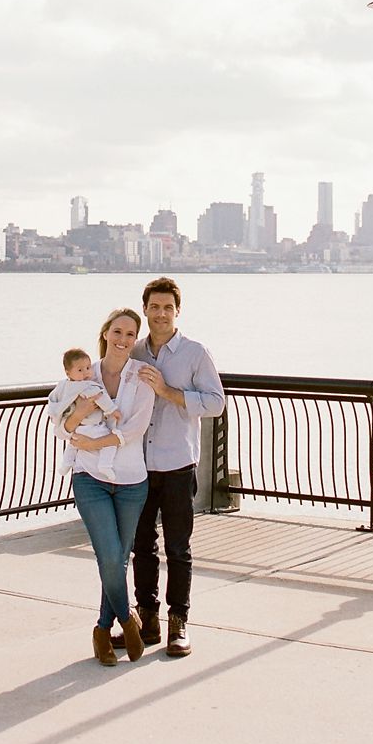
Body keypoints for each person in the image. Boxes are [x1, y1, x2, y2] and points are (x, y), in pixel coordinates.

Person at [54, 308, 156, 666]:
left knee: (116, 560)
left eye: (130, 334)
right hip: (89, 478)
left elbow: (134, 430)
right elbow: (60, 424)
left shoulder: (143, 378)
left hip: (130, 482)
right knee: (108, 556)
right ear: (106, 333)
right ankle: (127, 621)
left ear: (135, 339)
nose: (123, 339)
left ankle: (101, 630)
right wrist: (79, 414)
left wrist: (96, 442)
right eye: (117, 331)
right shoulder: (83, 372)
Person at [130, 276, 224, 658]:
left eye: (168, 307)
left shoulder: (195, 353)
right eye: (155, 307)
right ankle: (147, 620)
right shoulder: (133, 351)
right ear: (145, 310)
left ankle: (178, 623)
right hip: (136, 465)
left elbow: (216, 402)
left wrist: (168, 392)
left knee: (178, 548)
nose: (161, 314)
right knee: (141, 547)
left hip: (178, 463)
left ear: (177, 311)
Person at [47, 347, 120, 481]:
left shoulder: (63, 386)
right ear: (68, 373)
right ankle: (105, 465)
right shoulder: (87, 386)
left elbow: (53, 400)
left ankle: (66, 464)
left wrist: (55, 413)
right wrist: (112, 410)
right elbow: (100, 397)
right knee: (110, 442)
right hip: (93, 426)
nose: (86, 373)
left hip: (78, 427)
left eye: (88, 367)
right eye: (80, 370)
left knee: (73, 444)